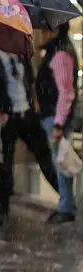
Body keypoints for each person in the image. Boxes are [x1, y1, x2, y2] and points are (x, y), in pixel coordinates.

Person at [0, 46, 59, 224]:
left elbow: (30, 81)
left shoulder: (21, 55)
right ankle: (3, 208)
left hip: (28, 115)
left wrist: (35, 103)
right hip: (9, 118)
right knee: (7, 163)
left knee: (44, 156)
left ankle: (65, 200)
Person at [35, 25, 78, 224]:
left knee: (61, 164)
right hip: (52, 116)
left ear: (54, 30)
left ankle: (66, 208)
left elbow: (66, 93)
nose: (40, 34)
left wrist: (59, 124)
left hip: (55, 118)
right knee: (59, 162)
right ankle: (65, 205)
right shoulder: (56, 51)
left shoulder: (60, 54)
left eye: (44, 30)